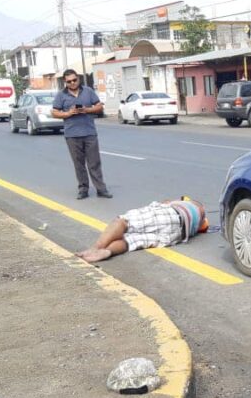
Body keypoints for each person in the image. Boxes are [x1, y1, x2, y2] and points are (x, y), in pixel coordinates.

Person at [77, 197, 208, 263]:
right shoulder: (200, 222)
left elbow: (165, 202)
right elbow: (204, 227)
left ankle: (95, 247)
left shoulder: (185, 204)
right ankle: (107, 251)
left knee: (123, 221)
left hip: (170, 216)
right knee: (131, 241)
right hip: (176, 235)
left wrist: (169, 202)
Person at [52, 69, 112, 199]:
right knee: (79, 164)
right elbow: (54, 112)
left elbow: (99, 106)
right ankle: (83, 189)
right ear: (65, 82)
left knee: (94, 163)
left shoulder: (88, 91)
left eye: (74, 80)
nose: (72, 83)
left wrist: (87, 109)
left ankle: (101, 189)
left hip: (89, 132)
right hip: (72, 135)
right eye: (69, 81)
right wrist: (68, 113)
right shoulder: (61, 95)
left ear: (78, 79)